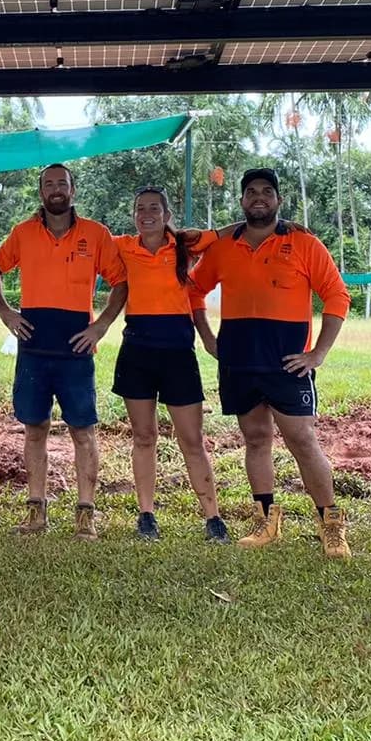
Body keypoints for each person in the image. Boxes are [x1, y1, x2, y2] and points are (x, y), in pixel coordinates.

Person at [190, 168, 353, 558]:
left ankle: (331, 525)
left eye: (266, 192)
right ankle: (266, 521)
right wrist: (209, 339)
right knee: (256, 439)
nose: (258, 197)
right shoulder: (223, 247)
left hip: (288, 365)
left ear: (278, 200)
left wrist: (318, 354)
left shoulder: (304, 243)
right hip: (239, 363)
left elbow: (337, 296)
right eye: (250, 192)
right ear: (242, 201)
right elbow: (193, 289)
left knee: (302, 441)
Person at [0, 163, 127, 539]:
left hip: (76, 347)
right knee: (36, 429)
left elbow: (120, 281)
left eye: (61, 183)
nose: (55, 190)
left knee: (83, 431)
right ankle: (36, 513)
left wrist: (101, 326)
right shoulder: (23, 233)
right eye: (48, 184)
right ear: (41, 192)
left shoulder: (96, 234)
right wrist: (4, 311)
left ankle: (86, 514)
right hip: (34, 346)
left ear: (73, 190)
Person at [110, 187, 228, 543]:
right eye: (140, 208)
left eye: (154, 208)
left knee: (192, 439)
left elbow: (226, 233)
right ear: (134, 216)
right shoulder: (122, 246)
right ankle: (146, 515)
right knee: (144, 436)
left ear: (167, 214)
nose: (146, 214)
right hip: (137, 350)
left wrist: (282, 224)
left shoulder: (185, 244)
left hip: (178, 352)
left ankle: (213, 517)